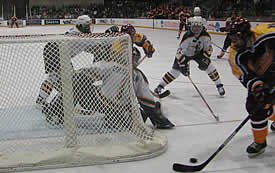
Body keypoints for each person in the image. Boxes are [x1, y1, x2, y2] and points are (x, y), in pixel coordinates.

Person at [226, 18, 275, 157]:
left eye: (235, 35)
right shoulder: (235, 54)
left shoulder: (267, 34)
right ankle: (260, 141)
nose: (232, 39)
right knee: (256, 106)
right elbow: (245, 76)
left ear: (245, 34)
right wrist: (258, 88)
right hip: (263, 77)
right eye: (230, 35)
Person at [114, 24, 174, 129]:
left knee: (137, 80)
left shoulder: (135, 36)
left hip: (127, 71)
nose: (130, 38)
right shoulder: (118, 45)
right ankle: (146, 112)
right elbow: (116, 63)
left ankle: (142, 111)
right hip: (118, 72)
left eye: (131, 35)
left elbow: (143, 40)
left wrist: (148, 47)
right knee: (134, 82)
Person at [154, 16, 225, 97]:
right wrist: (182, 64)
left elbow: (209, 49)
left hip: (199, 54)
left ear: (202, 27)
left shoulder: (206, 36)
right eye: (194, 27)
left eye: (198, 27)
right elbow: (179, 52)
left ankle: (219, 85)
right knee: (175, 71)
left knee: (210, 68)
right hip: (185, 54)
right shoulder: (187, 36)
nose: (196, 29)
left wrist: (205, 59)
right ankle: (160, 86)